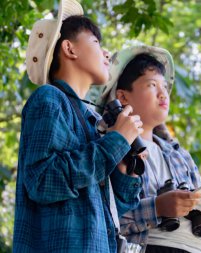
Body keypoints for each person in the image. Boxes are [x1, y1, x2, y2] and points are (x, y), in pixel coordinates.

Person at [13, 0, 143, 252]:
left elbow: (116, 208)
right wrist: (115, 143)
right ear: (69, 49)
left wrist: (126, 168)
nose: (107, 53)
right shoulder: (48, 99)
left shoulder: (92, 120)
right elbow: (42, 180)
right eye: (96, 43)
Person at [100, 45, 201, 253]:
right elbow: (104, 217)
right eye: (152, 85)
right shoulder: (111, 145)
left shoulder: (180, 155)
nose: (163, 94)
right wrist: (156, 208)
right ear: (123, 97)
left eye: (164, 87)